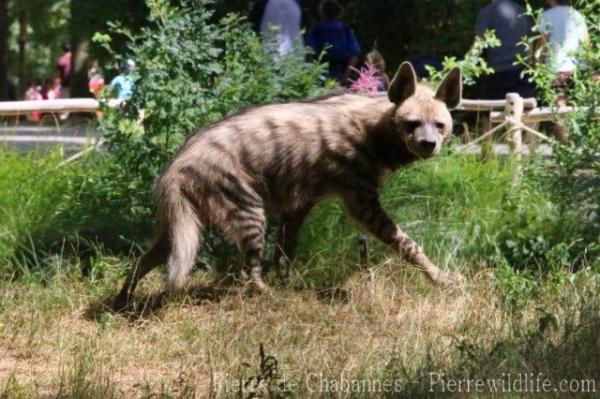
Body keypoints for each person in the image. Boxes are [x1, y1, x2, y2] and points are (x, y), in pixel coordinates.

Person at [475, 0, 536, 99]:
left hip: (497, 74)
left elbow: (478, 43)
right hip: (523, 72)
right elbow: (531, 44)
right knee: (523, 110)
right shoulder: (523, 11)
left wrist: (465, 66)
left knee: (494, 111)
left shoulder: (487, 12)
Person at [536, 0, 589, 105]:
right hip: (577, 69)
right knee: (576, 107)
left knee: (559, 110)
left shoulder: (545, 16)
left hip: (556, 68)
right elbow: (587, 44)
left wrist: (537, 67)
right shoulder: (576, 14)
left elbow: (543, 47)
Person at [305, 0, 361, 86]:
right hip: (342, 74)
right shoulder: (345, 29)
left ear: (323, 11)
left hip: (321, 75)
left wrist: (313, 76)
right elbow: (354, 55)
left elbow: (309, 53)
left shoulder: (316, 29)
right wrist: (345, 77)